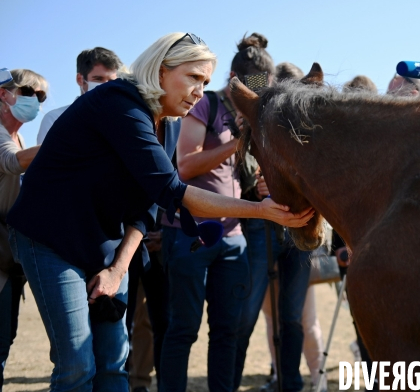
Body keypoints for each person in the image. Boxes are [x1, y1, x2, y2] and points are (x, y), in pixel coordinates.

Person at [7, 32, 312, 392]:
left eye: (206, 82)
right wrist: (260, 210)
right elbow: (172, 190)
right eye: (194, 78)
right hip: (50, 239)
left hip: (103, 246)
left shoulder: (167, 123)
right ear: (161, 71)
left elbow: (147, 205)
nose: (200, 91)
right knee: (77, 364)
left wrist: (117, 269)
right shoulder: (120, 103)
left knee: (113, 364)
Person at [158, 32, 263, 392]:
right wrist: (238, 142)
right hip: (190, 234)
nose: (253, 94)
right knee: (183, 328)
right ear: (232, 79)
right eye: (248, 86)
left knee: (227, 331)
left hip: (233, 239)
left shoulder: (251, 114)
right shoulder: (207, 104)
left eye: (260, 88)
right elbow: (184, 167)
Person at [231, 45, 314, 392]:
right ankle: (229, 383)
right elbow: (242, 173)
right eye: (253, 78)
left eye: (263, 77)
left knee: (292, 318)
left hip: (296, 223)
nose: (259, 83)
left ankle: (290, 383)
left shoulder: (292, 111)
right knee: (246, 316)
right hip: (258, 224)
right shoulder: (245, 111)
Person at [0, 68, 48, 390]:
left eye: (41, 97)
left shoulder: (19, 137)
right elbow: (11, 161)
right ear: (4, 93)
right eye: (30, 92)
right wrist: (70, 140)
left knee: (4, 341)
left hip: (8, 260)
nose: (36, 101)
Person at [37, 47, 122, 144]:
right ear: (80, 79)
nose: (106, 86)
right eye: (98, 79)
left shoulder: (121, 118)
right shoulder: (55, 118)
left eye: (112, 81)